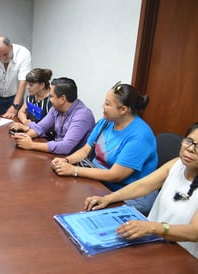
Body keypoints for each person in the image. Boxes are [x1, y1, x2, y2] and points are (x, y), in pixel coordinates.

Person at [84, 122, 198, 259]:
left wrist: (152, 228)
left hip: (180, 256)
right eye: (189, 141)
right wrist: (109, 198)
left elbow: (194, 232)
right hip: (151, 241)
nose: (191, 149)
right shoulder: (177, 164)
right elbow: (143, 185)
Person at [51, 81, 158, 215]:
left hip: (129, 193)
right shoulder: (106, 122)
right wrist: (66, 161)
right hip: (101, 181)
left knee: (83, 211)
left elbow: (115, 176)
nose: (103, 106)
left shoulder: (140, 136)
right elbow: (86, 150)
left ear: (123, 109)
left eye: (107, 104)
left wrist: (74, 170)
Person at [10, 77, 95, 155]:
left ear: (62, 99)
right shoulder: (56, 109)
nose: (49, 100)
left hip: (74, 162)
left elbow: (65, 147)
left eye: (51, 96)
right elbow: (40, 128)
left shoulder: (82, 116)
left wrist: (31, 145)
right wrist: (25, 137)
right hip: (58, 155)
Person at [0, 35, 31, 120]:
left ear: (11, 46)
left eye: (5, 54)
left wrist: (15, 106)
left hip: (15, 96)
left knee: (15, 124)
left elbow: (23, 82)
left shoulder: (23, 53)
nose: (3, 58)